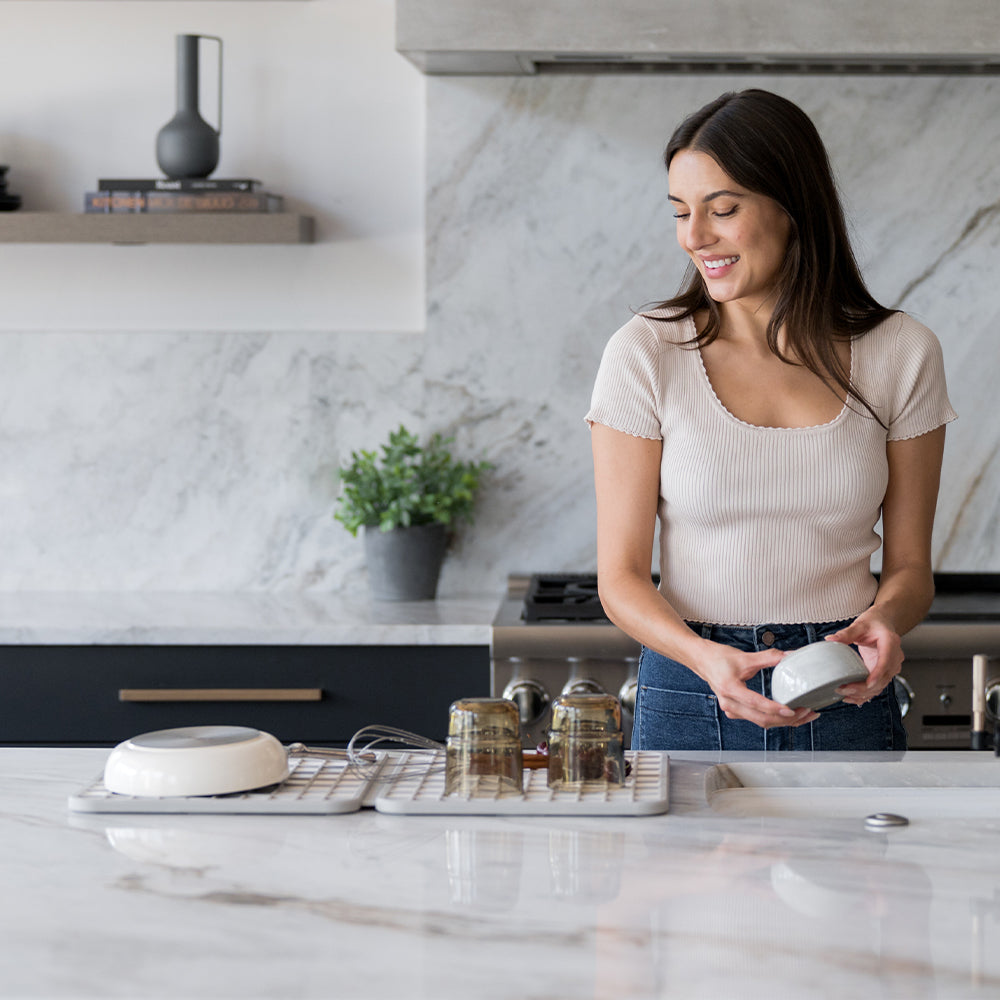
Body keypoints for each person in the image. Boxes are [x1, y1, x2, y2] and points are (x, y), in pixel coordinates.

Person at [585, 89, 957, 751]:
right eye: (681, 212)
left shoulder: (902, 352)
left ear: (793, 208)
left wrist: (885, 622)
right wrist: (706, 660)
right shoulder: (645, 353)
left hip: (844, 685)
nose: (695, 237)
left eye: (722, 209)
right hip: (692, 687)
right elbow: (619, 579)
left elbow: (910, 571)